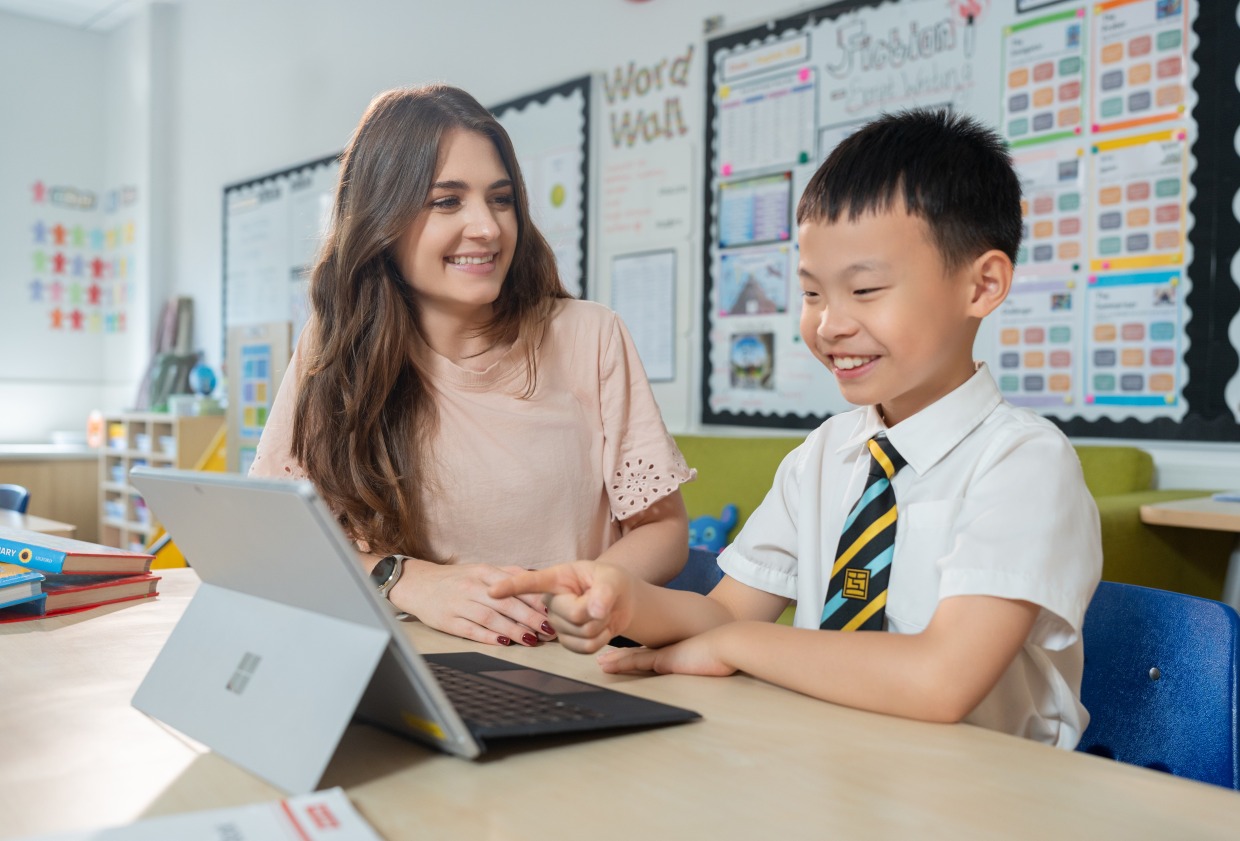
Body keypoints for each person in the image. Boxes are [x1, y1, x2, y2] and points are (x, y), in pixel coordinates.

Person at [493, 109, 1103, 748]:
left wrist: (738, 645)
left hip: (984, 799)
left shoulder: (1025, 464)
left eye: (865, 290)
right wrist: (626, 601)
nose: (830, 324)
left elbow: (940, 681)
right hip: (825, 767)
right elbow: (726, 611)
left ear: (982, 285)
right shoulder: (825, 455)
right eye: (812, 294)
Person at [250, 84, 694, 648]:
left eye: (501, 199)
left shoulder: (591, 335)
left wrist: (586, 590)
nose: (487, 227)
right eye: (447, 201)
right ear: (381, 219)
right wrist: (407, 580)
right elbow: (281, 537)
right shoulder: (334, 348)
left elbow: (663, 529)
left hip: (567, 663)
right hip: (402, 660)